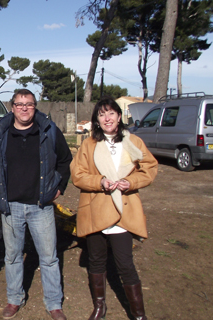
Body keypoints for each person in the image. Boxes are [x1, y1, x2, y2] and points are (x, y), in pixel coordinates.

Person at [70, 96, 158, 320]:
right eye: (102, 114)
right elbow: (77, 175)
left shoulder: (134, 142)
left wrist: (132, 182)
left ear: (119, 116)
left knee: (125, 264)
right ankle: (100, 307)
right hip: (96, 209)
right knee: (96, 261)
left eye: (111, 113)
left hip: (123, 211)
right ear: (96, 120)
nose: (107, 118)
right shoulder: (89, 144)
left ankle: (139, 314)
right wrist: (99, 181)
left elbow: (149, 168)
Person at [0, 89, 72, 320]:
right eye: (19, 104)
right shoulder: (0, 135)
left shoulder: (49, 131)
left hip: (41, 206)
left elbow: (65, 160)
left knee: (48, 257)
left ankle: (54, 303)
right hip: (12, 207)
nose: (24, 108)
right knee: (13, 255)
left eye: (29, 104)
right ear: (12, 107)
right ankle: (14, 299)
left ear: (35, 106)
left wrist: (59, 188)